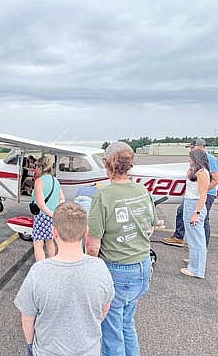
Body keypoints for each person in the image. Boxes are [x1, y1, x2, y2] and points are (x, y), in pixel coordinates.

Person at [86, 141, 158, 356]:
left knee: (111, 331)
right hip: (143, 266)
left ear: (108, 165)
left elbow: (92, 244)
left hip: (118, 271)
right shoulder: (142, 190)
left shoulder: (103, 195)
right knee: (127, 323)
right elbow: (150, 228)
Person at [14, 202, 115, 356]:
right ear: (86, 231)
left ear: (54, 232)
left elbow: (27, 318)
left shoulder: (38, 272)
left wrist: (30, 345)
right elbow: (105, 308)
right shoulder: (100, 267)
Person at [162, 138, 218, 247]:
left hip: (205, 194)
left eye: (193, 147)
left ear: (201, 146)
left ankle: (202, 245)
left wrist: (202, 191)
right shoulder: (195, 160)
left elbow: (216, 179)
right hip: (195, 195)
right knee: (182, 211)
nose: (191, 150)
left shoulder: (210, 158)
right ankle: (179, 237)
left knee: (203, 219)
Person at [180, 149, 211, 278]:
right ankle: (193, 263)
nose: (188, 160)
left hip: (195, 205)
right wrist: (191, 166)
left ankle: (196, 270)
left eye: (190, 158)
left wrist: (196, 213)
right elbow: (188, 176)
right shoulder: (196, 171)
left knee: (197, 239)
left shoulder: (202, 173)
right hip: (189, 203)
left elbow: (203, 194)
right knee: (192, 238)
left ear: (196, 159)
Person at [31, 155, 65, 261]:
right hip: (53, 217)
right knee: (50, 241)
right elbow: (62, 199)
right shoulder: (55, 180)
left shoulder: (39, 181)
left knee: (38, 244)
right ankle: (52, 264)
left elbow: (41, 205)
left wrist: (51, 214)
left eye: (36, 166)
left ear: (41, 167)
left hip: (42, 217)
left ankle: (41, 268)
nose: (35, 168)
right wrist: (55, 213)